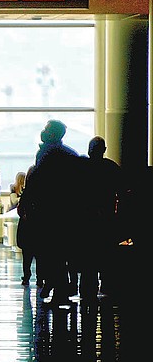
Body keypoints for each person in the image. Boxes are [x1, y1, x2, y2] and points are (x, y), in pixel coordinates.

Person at [22, 120, 84, 303]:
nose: (43, 132)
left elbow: (36, 181)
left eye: (46, 129)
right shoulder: (70, 154)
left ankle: (58, 288)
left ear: (52, 134)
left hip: (48, 212)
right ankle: (60, 288)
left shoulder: (47, 154)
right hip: (66, 212)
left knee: (51, 252)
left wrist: (27, 203)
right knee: (61, 252)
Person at [83, 135, 124, 295]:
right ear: (104, 150)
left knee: (88, 255)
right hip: (107, 218)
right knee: (106, 253)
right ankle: (106, 284)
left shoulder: (83, 168)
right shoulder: (111, 168)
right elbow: (122, 190)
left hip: (86, 218)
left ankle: (87, 287)